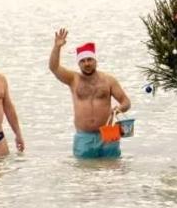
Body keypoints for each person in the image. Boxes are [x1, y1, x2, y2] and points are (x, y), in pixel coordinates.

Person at [49, 28, 131, 158]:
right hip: (84, 136)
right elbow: (54, 67)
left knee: (113, 173)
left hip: (109, 132)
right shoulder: (73, 79)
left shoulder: (109, 80)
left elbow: (126, 102)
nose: (87, 63)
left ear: (95, 61)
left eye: (89, 59)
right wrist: (57, 47)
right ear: (79, 63)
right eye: (83, 61)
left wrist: (119, 108)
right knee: (84, 173)